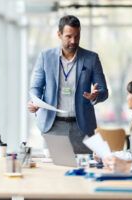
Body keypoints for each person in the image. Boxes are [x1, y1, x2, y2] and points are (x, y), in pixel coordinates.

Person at [28, 15, 108, 153]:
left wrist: (95, 95)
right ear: (59, 34)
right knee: (54, 171)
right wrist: (35, 102)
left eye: (77, 36)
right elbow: (36, 87)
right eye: (68, 36)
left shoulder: (91, 58)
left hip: (82, 126)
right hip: (53, 125)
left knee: (84, 169)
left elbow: (103, 91)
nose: (73, 41)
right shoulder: (45, 57)